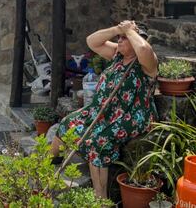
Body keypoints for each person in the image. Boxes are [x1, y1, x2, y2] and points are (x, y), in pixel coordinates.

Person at [51, 20, 158, 199]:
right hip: (102, 110)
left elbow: (145, 50)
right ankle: (48, 162)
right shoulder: (117, 55)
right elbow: (91, 41)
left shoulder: (146, 63)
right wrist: (118, 29)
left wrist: (130, 32)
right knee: (67, 123)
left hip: (131, 116)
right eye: (120, 38)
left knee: (98, 142)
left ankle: (100, 199)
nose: (120, 40)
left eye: (125, 38)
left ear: (137, 39)